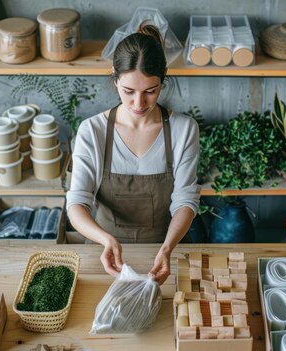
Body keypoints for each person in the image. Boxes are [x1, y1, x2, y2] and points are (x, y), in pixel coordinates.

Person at [66, 24, 200, 285]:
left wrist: (167, 248)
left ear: (163, 81)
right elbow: (77, 203)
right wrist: (106, 240)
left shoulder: (184, 129)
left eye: (151, 91)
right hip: (104, 253)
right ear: (115, 81)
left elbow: (185, 200)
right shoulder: (92, 131)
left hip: (164, 250)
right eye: (129, 91)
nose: (139, 104)